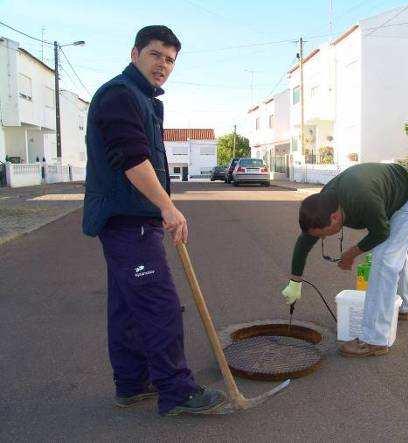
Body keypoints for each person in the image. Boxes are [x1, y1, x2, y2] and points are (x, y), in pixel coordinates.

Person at [83, 25, 225, 416]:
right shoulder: (119, 95)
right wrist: (167, 206)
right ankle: (178, 393)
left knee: (128, 307)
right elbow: (132, 159)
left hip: (130, 220)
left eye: (169, 59)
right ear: (135, 54)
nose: (163, 64)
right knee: (160, 306)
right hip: (128, 222)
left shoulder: (142, 99)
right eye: (155, 54)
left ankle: (132, 383)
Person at [282, 163, 408, 357]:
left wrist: (350, 255)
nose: (321, 238)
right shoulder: (323, 204)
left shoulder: (362, 199)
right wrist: (295, 282)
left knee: (385, 259)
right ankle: (401, 307)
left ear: (335, 218)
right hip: (392, 193)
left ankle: (375, 340)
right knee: (394, 252)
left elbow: (380, 232)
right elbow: (305, 240)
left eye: (324, 234)